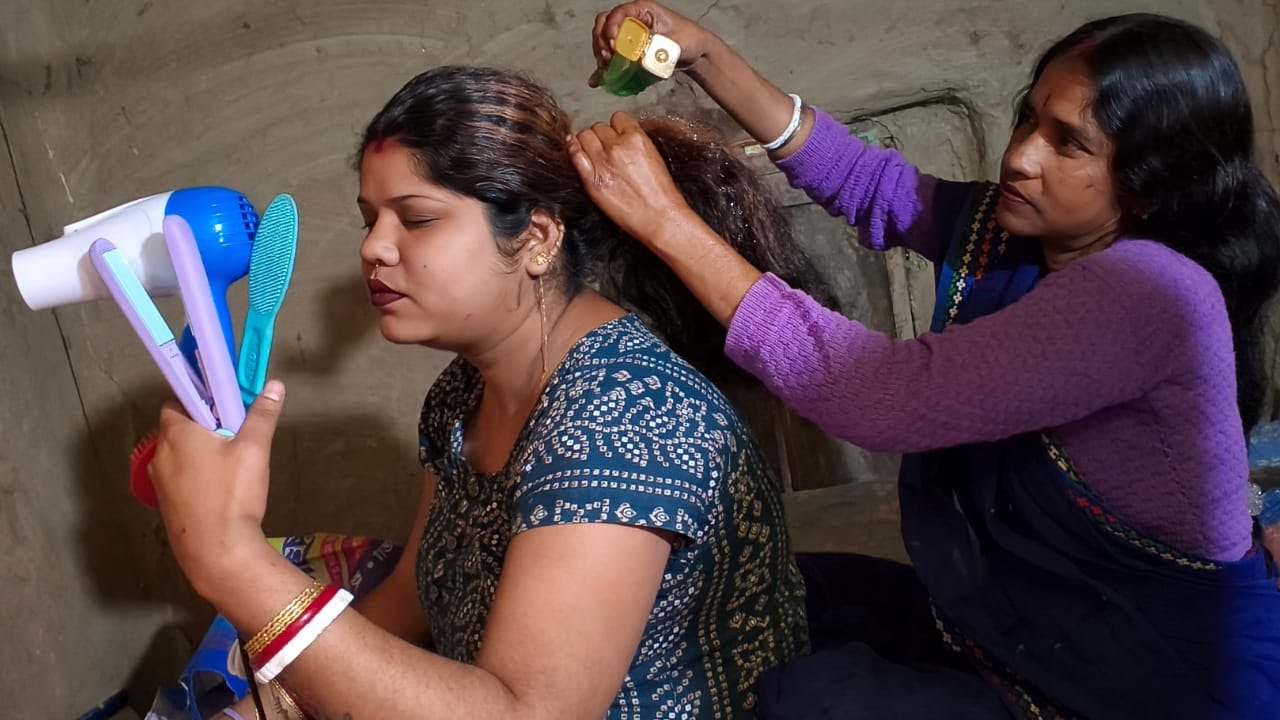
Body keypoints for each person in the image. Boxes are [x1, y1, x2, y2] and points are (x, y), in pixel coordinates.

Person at [571, 4, 1280, 717]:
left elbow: (880, 395)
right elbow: (869, 186)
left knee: (812, 699)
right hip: (1020, 633)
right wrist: (703, 56)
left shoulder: (1151, 294)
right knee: (767, 591)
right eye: (1028, 119)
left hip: (1147, 682)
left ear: (1149, 186)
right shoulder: (1027, 240)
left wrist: (668, 224)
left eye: (1069, 143)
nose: (1021, 156)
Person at [148, 65, 823, 719]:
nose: (373, 248)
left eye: (415, 219)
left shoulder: (627, 417)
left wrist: (231, 557)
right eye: (369, 219)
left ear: (536, 238)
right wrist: (264, 709)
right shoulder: (460, 394)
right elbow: (417, 591)